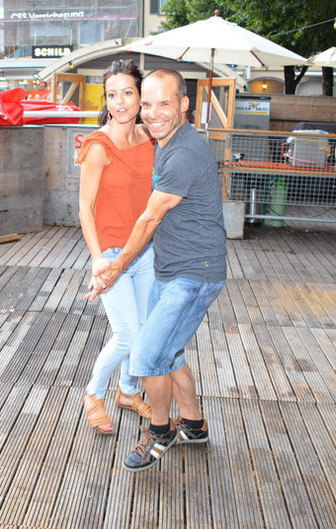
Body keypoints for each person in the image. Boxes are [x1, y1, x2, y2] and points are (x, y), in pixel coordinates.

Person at [88, 68, 227, 471]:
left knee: (148, 357)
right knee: (170, 352)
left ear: (184, 104)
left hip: (193, 274)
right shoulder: (166, 141)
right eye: (147, 104)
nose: (153, 113)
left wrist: (115, 268)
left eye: (164, 103)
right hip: (171, 267)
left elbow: (150, 218)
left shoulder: (183, 152)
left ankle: (161, 431)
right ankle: (194, 426)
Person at [77, 59, 155, 435]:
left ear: (140, 96)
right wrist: (97, 259)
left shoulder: (150, 137)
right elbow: (84, 207)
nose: (120, 102)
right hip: (111, 254)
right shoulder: (99, 145)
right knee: (128, 334)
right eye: (112, 95)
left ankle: (127, 391)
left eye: (127, 93)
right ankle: (94, 394)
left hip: (145, 252)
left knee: (145, 330)